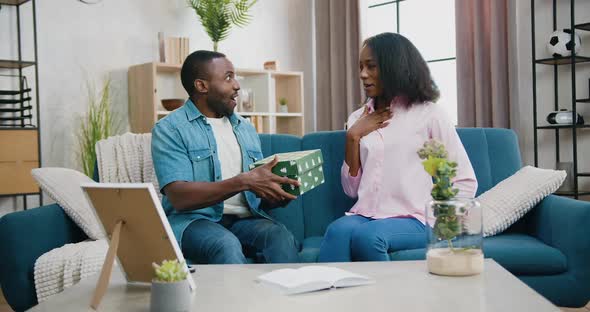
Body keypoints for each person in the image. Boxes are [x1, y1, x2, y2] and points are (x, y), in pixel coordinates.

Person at [318, 32, 478, 262]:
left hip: (416, 218)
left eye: (371, 66)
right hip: (367, 214)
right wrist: (353, 136)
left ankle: (389, 299)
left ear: (394, 67)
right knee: (337, 231)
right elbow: (351, 191)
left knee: (368, 237)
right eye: (361, 67)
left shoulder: (429, 114)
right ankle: (329, 298)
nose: (363, 74)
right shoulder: (356, 119)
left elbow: (464, 179)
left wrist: (445, 226)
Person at [152, 50, 300, 264]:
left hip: (244, 220)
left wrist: (275, 195)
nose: (237, 85)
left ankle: (288, 298)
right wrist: (243, 181)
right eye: (228, 77)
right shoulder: (170, 129)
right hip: (194, 221)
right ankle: (234, 299)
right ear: (201, 86)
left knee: (279, 236)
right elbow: (179, 197)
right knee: (225, 244)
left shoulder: (245, 127)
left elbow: (255, 195)